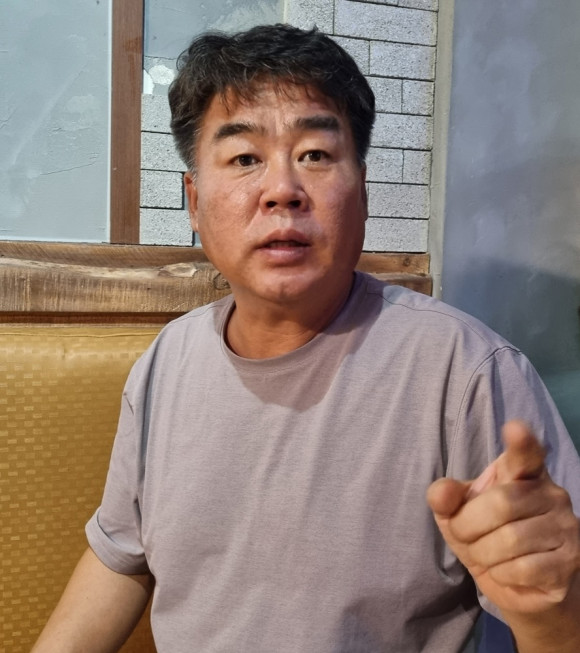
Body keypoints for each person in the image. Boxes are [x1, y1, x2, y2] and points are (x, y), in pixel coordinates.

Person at [33, 24, 580, 653]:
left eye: (316, 155)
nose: (282, 191)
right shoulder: (165, 362)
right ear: (193, 201)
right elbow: (120, 557)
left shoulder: (468, 372)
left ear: (363, 191)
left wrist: (552, 607)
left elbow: (555, 609)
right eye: (244, 159)